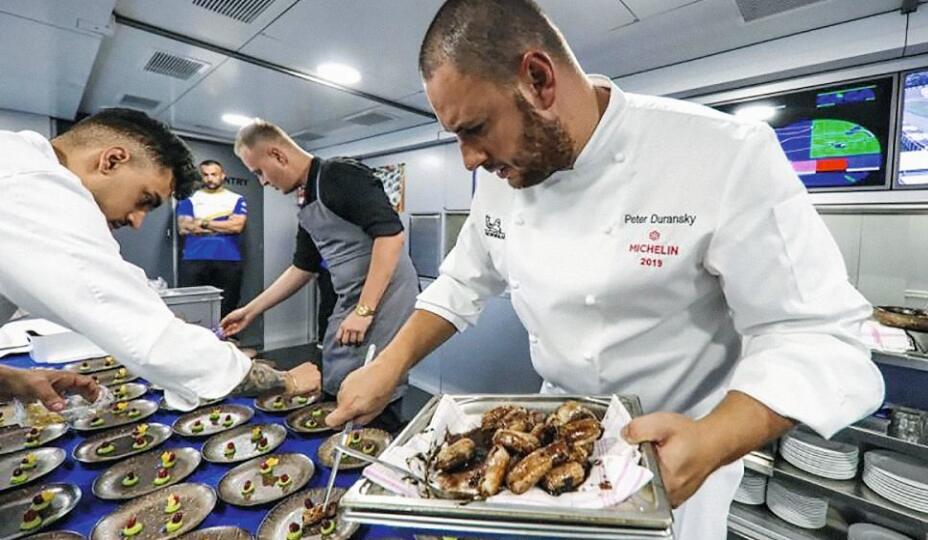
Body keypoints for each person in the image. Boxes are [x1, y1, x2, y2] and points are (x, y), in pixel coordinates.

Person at [324, 1, 885, 538]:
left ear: (539, 79)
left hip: (678, 457)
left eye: (474, 129)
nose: (469, 159)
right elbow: (462, 281)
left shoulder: (724, 153)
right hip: (552, 436)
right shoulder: (505, 177)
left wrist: (715, 439)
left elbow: (817, 333)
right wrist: (389, 364)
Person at [0, 108, 320, 411]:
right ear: (112, 160)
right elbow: (150, 337)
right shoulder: (32, 183)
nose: (138, 221)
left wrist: (14, 379)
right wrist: (285, 380)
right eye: (145, 200)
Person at [223, 120, 419, 431]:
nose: (262, 182)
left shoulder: (339, 175)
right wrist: (251, 310)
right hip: (351, 296)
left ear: (278, 155)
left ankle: (377, 443)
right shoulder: (305, 197)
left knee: (373, 380)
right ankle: (339, 439)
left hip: (385, 295)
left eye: (260, 172)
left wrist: (364, 310)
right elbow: (302, 267)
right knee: (335, 366)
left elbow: (391, 236)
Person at [176, 159, 248, 315]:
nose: (210, 178)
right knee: (192, 309)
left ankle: (226, 339)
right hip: (194, 259)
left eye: (214, 174)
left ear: (222, 176)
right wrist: (223, 226)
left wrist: (202, 223)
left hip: (228, 260)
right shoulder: (189, 198)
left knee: (227, 306)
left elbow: (236, 226)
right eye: (205, 174)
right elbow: (184, 227)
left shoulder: (236, 199)